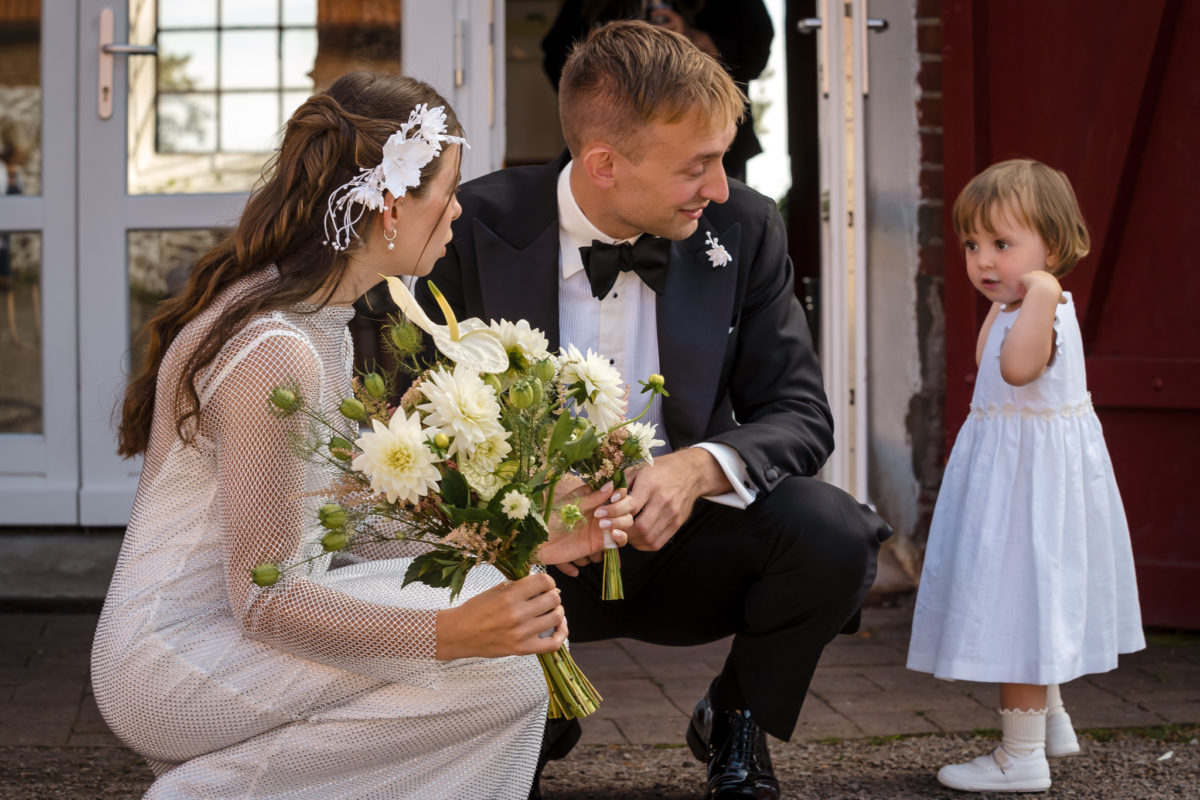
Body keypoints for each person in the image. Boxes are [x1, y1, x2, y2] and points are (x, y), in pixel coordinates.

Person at [91, 71, 632, 800]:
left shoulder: (319, 322)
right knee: (496, 664)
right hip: (174, 662)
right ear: (389, 206)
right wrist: (451, 637)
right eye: (447, 189)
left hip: (230, 632)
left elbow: (337, 529)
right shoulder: (272, 347)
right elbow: (269, 599)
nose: (457, 212)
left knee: (488, 607)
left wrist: (523, 538)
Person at [417, 21, 890, 799]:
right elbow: (416, 419)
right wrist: (528, 508)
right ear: (604, 164)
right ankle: (527, 710)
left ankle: (736, 715)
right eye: (698, 166)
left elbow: (801, 411)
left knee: (835, 534)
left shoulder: (744, 227)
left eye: (723, 159)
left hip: (684, 544)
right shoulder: (470, 227)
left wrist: (697, 469)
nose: (719, 186)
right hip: (523, 555)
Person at [906, 159, 1145, 793]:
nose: (984, 261)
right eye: (972, 245)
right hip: (1019, 482)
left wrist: (1037, 292)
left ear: (1053, 247)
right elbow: (987, 360)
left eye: (1002, 245)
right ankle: (1054, 722)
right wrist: (1013, 298)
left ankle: (1021, 757)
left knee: (1018, 608)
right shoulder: (1017, 306)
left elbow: (1014, 371)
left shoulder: (1044, 306)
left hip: (1029, 492)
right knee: (1030, 598)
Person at [540, 0, 773, 181]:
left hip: (704, 133)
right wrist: (591, 53)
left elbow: (755, 51)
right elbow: (555, 54)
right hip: (614, 136)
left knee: (715, 229)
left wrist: (693, 39)